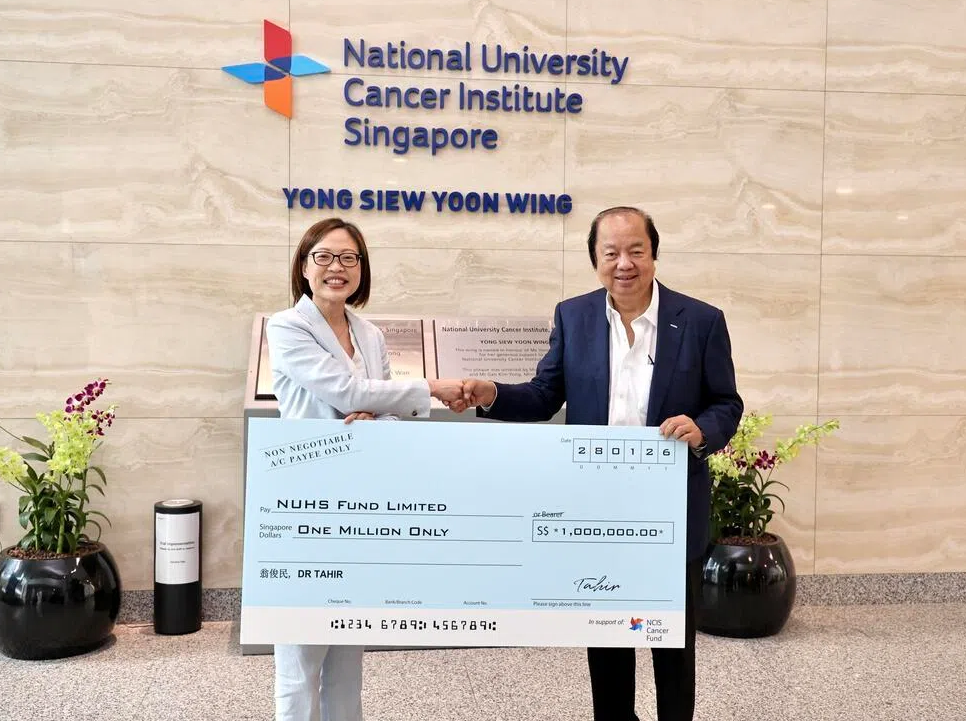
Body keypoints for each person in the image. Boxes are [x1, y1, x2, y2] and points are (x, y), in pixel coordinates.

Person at [461, 206, 743, 721]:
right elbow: (545, 395)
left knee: (672, 641)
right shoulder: (575, 317)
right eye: (610, 253)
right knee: (608, 634)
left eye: (636, 251)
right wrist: (491, 394)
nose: (624, 263)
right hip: (597, 510)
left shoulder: (701, 321)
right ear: (595, 259)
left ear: (654, 254)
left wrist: (704, 429)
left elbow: (726, 402)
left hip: (670, 507)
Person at [266, 217, 465, 721]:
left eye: (349, 258)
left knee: (347, 646)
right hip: (305, 499)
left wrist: (377, 416)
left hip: (360, 498)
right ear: (304, 266)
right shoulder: (287, 326)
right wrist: (429, 387)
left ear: (361, 268)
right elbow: (347, 391)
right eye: (324, 256)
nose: (337, 267)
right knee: (300, 653)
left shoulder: (370, 333)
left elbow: (385, 410)